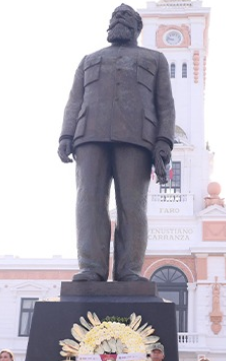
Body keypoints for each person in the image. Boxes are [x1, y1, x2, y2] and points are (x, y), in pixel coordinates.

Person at [57, 3, 176, 282]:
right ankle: (91, 267)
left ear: (137, 27)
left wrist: (164, 141)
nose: (119, 18)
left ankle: (129, 270)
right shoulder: (88, 60)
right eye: (115, 16)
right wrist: (66, 135)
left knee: (132, 206)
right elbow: (74, 101)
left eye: (126, 16)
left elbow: (166, 105)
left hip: (137, 139)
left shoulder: (155, 59)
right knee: (89, 201)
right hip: (89, 136)